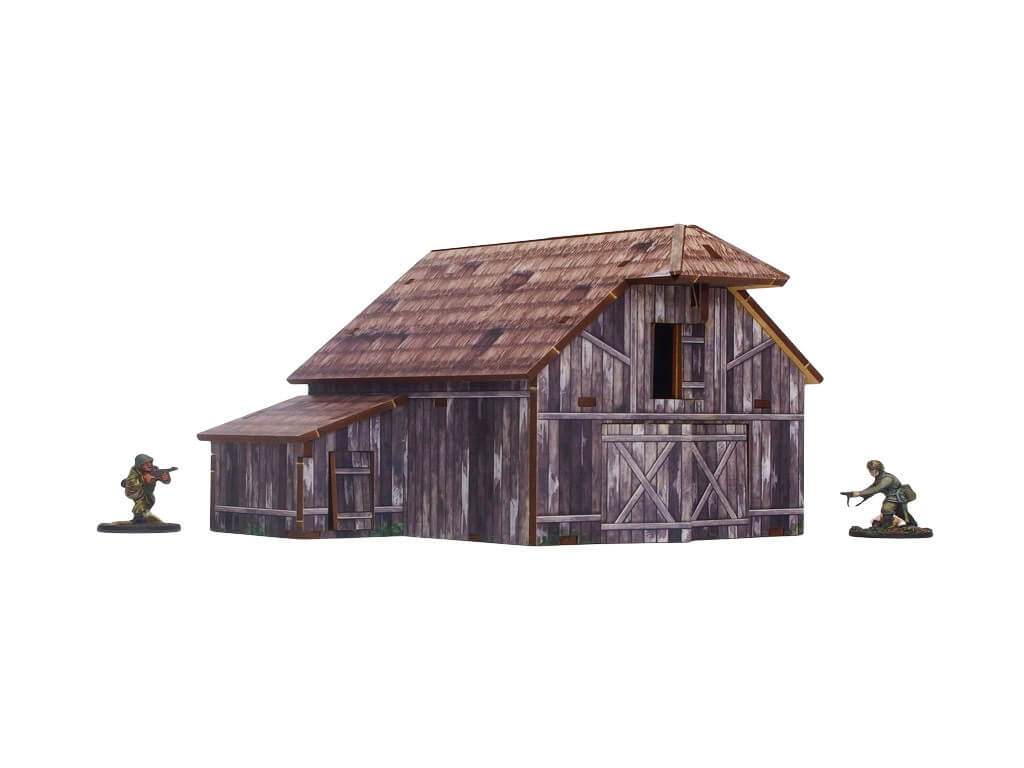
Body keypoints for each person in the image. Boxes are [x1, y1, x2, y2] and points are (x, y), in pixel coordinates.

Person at [845, 459, 917, 528]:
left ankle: (887, 526)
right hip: (892, 497)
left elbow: (877, 488)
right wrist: (859, 493)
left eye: (873, 470)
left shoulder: (887, 478)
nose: (871, 472)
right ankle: (912, 524)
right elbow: (872, 487)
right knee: (900, 512)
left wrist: (859, 493)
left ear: (879, 469)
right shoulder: (879, 477)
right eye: (870, 470)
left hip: (896, 497)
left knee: (887, 508)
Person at [122, 453, 172, 524]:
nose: (149, 465)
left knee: (150, 500)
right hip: (133, 490)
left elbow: (164, 480)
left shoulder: (154, 470)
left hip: (147, 490)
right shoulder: (135, 471)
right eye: (146, 463)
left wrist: (166, 478)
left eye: (150, 463)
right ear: (140, 464)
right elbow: (131, 481)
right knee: (142, 500)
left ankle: (143, 515)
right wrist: (143, 478)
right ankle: (138, 517)